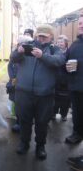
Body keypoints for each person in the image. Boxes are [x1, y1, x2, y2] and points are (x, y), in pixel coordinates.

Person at [11, 24, 65, 160]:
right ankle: (24, 143)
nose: (40, 39)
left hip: (45, 94)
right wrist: (19, 51)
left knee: (42, 122)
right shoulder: (27, 45)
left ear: (51, 36)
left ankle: (40, 146)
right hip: (24, 92)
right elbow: (13, 58)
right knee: (24, 120)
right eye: (39, 35)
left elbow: (59, 61)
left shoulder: (54, 49)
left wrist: (42, 56)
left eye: (44, 37)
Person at [65, 15, 83, 169]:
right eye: (80, 23)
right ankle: (77, 134)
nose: (81, 25)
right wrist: (67, 66)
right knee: (77, 115)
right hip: (75, 88)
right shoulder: (75, 44)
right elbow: (66, 59)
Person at [6, 34, 34, 133]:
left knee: (27, 105)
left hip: (26, 85)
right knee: (17, 104)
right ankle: (18, 122)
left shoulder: (31, 55)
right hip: (15, 83)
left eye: (26, 43)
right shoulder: (15, 53)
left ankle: (26, 122)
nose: (23, 45)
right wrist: (13, 78)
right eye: (21, 43)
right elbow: (10, 67)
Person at [52, 35, 70, 122]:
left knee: (65, 99)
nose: (60, 44)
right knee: (54, 97)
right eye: (58, 42)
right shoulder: (54, 52)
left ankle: (64, 114)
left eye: (61, 42)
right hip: (55, 78)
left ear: (66, 43)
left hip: (66, 79)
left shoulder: (69, 53)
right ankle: (53, 113)